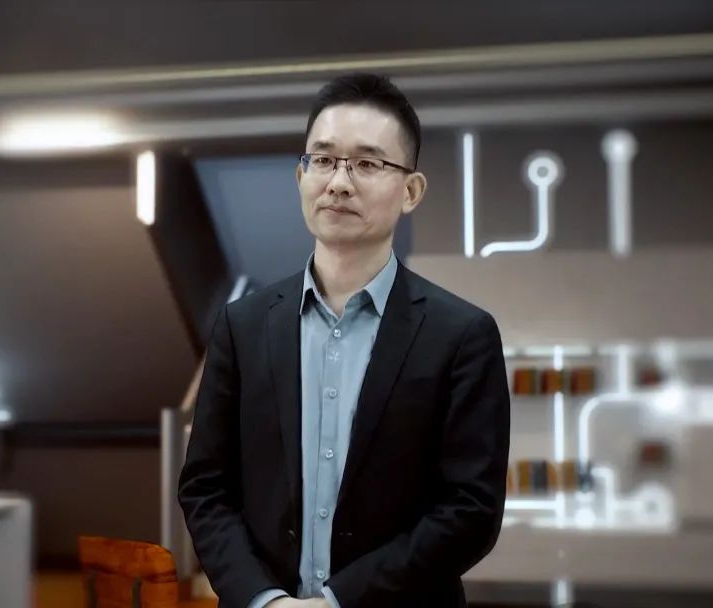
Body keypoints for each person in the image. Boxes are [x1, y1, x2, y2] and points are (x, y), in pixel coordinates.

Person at [179, 73, 510, 608]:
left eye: (367, 164)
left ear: (411, 191)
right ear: (301, 175)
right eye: (324, 159)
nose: (339, 182)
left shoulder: (462, 335)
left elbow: (471, 510)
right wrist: (264, 599)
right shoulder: (242, 325)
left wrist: (338, 602)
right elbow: (205, 490)